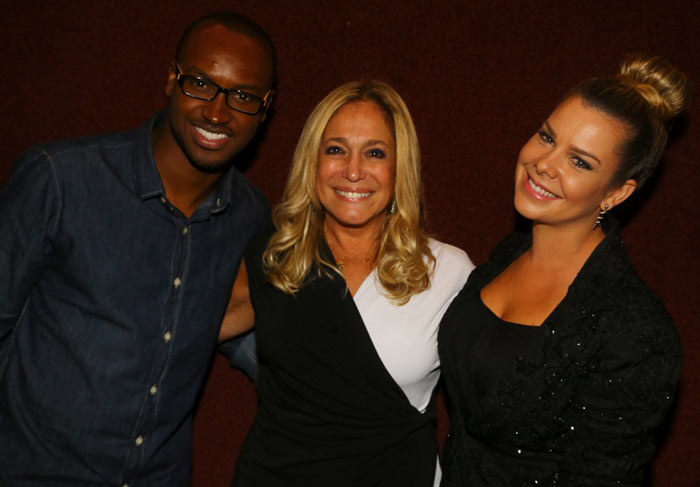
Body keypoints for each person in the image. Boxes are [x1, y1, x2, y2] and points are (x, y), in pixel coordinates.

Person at [0, 12, 275, 486]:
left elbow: (245, 329)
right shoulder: (60, 180)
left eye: (243, 96)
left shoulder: (250, 217)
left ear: (265, 108)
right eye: (200, 84)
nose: (216, 112)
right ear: (171, 79)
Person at [438, 53, 688, 486]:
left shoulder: (635, 330)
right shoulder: (509, 253)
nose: (544, 163)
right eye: (546, 136)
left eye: (580, 162)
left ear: (616, 192)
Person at [219, 80, 474, 486]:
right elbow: (186, 332)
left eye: (375, 153)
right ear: (312, 162)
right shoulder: (274, 257)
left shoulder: (447, 270)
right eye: (335, 150)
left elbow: (491, 401)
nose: (353, 171)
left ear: (399, 167)